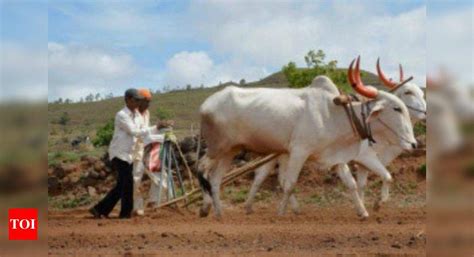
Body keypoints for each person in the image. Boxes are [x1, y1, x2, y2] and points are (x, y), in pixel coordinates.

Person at [89, 88, 160, 219]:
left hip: (129, 155)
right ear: (127, 100)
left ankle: (102, 210)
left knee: (124, 184)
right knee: (126, 183)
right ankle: (119, 213)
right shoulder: (122, 115)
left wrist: (156, 128)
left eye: (139, 100)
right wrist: (156, 128)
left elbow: (143, 130)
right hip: (119, 153)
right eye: (136, 100)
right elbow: (134, 131)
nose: (138, 103)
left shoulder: (137, 116)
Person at [133, 88, 176, 215]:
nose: (148, 104)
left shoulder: (146, 114)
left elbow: (148, 131)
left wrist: (163, 128)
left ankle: (153, 202)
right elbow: (138, 134)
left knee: (159, 175)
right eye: (146, 101)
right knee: (136, 180)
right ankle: (137, 208)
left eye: (149, 102)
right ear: (139, 101)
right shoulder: (132, 115)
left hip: (146, 149)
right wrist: (159, 132)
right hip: (134, 151)